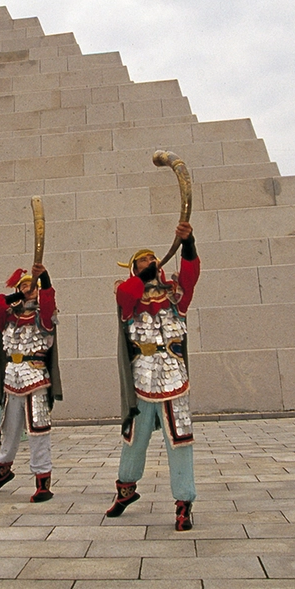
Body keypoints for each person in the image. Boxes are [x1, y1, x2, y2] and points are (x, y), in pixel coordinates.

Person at [107, 222, 200, 531]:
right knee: (135, 439)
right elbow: (125, 296)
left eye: (152, 258)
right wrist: (141, 277)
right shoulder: (129, 295)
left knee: (181, 441)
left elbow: (191, 276)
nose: (150, 262)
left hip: (174, 377)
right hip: (142, 378)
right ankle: (125, 489)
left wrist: (188, 244)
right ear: (135, 269)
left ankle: (184, 503)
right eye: (143, 260)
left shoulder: (175, 296)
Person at [0, 264, 61, 503]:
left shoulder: (43, 315)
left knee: (38, 428)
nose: (28, 289)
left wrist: (45, 281)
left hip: (36, 377)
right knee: (10, 428)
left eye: (31, 286)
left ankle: (42, 479)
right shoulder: (7, 316)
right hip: (12, 377)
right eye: (23, 286)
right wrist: (18, 295)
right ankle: (3, 468)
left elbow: (48, 304)